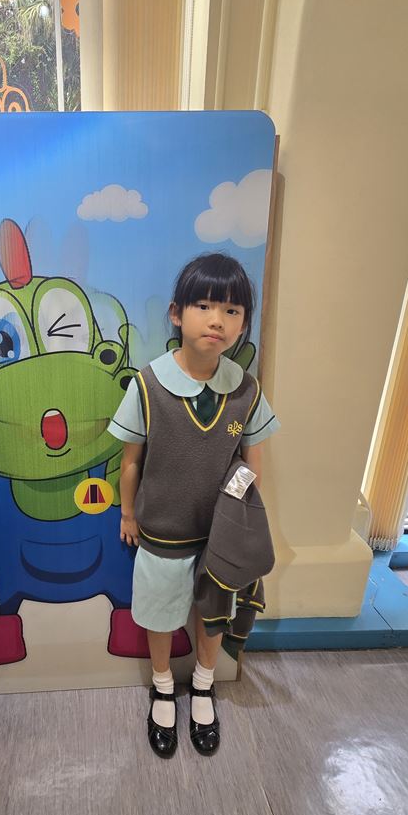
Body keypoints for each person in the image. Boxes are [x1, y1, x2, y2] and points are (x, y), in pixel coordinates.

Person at [108, 253, 280, 759]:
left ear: (243, 323)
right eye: (204, 306)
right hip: (162, 532)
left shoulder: (246, 391)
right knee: (161, 617)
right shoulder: (147, 385)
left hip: (218, 538)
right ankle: (163, 687)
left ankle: (204, 685)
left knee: (213, 616)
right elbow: (130, 462)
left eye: (232, 311)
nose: (217, 320)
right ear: (177, 314)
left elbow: (253, 465)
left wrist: (235, 513)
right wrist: (128, 513)